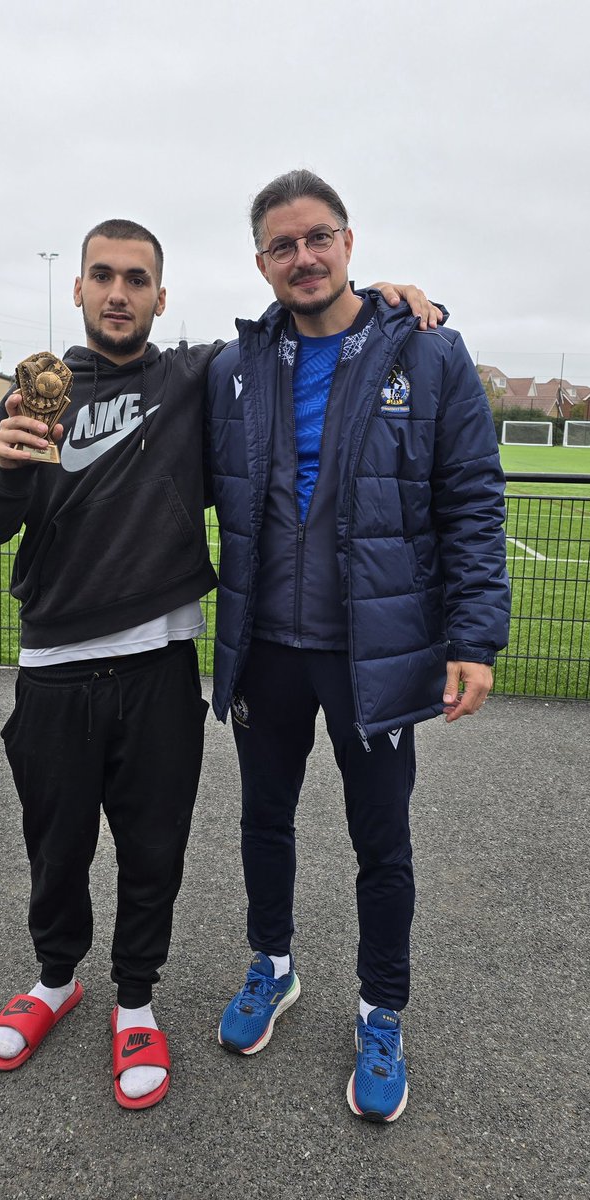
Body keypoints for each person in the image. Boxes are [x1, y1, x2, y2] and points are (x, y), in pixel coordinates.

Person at [0, 214, 439, 1111]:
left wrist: (390, 300)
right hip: (54, 662)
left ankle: (135, 1000)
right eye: (101, 276)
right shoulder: (34, 395)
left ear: (160, 296)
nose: (116, 292)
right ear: (78, 289)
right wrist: (6, 468)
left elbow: (302, 324)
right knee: (55, 847)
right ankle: (56, 981)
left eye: (135, 279)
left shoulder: (195, 376)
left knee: (152, 853)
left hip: (160, 664)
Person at [206, 170, 510, 1123]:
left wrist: (474, 637)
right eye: (282, 245)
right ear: (260, 261)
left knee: (382, 842)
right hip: (266, 647)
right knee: (265, 822)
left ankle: (381, 1011)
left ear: (349, 241)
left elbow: (469, 499)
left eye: (318, 237)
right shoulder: (235, 367)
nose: (303, 257)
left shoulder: (426, 353)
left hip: (372, 654)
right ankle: (275, 967)